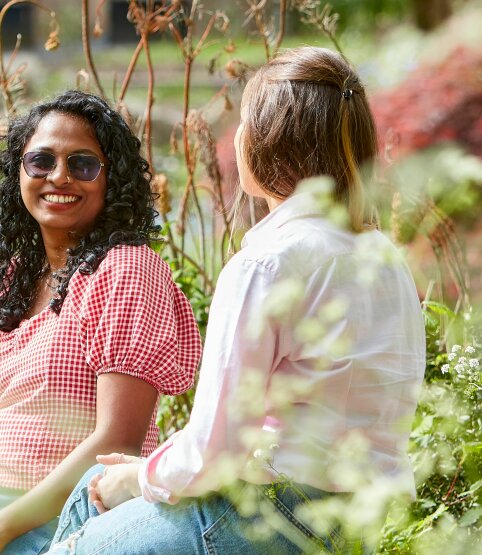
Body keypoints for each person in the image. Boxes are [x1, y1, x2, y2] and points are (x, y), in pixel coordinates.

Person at [44, 46, 426, 554]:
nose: (238, 137)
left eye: (245, 122)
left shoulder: (266, 263)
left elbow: (216, 450)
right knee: (90, 493)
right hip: (360, 515)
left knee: (86, 521)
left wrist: (139, 480)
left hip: (270, 517)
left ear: (271, 144)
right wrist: (148, 471)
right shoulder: (384, 256)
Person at [0, 90, 201, 555]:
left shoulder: (126, 269)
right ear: (18, 173)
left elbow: (117, 440)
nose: (59, 177)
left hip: (82, 522)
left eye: (83, 164)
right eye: (41, 161)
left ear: (113, 179)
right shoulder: (7, 282)